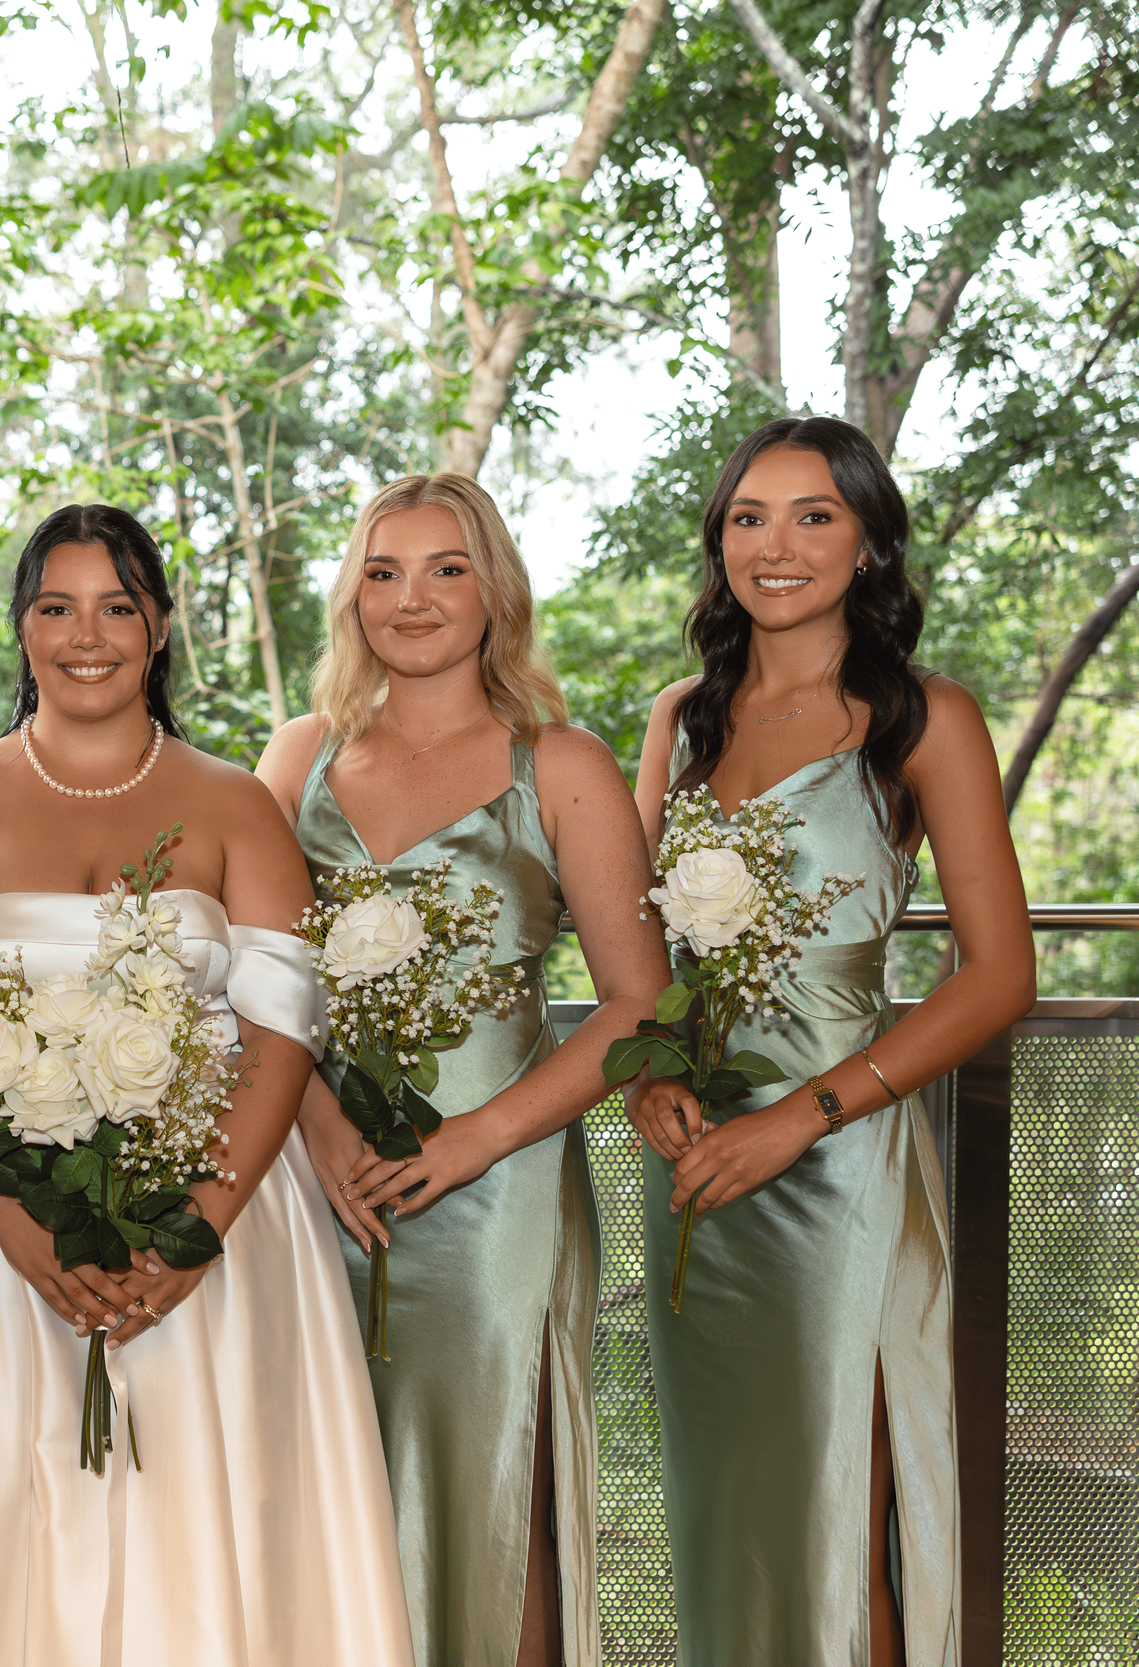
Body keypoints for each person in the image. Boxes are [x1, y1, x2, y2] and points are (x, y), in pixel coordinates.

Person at [0, 505, 413, 1667]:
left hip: (214, 1222)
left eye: (117, 605)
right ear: (22, 628)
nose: (87, 635)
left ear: (160, 626)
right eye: (56, 606)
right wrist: (13, 1216)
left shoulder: (239, 802)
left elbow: (280, 1034)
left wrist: (196, 1227)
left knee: (208, 1536)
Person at [626, 416, 1034, 1664]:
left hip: (834, 1158)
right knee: (725, 1503)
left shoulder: (923, 718)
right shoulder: (680, 716)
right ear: (719, 543)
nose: (777, 544)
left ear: (866, 541)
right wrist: (648, 1078)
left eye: (813, 515)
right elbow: (634, 948)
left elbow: (1002, 972)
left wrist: (797, 1118)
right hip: (694, 1163)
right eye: (749, 517)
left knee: (833, 1513)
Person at [257, 473, 669, 1666]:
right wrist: (320, 1130)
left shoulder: (563, 762)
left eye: (445, 568)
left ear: (494, 589)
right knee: (316, 1499)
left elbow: (639, 1004)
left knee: (499, 1503)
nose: (412, 597)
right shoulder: (299, 757)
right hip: (313, 1181)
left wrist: (476, 1140)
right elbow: (249, 970)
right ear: (351, 598)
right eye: (382, 571)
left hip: (498, 1198)